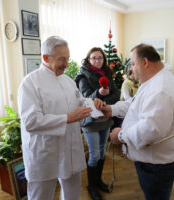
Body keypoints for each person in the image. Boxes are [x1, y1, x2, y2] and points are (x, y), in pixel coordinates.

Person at [94, 44, 174, 200]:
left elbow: (151, 129)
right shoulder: (154, 81)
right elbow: (136, 104)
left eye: (133, 64)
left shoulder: (161, 89)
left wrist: (121, 136)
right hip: (155, 161)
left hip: (157, 165)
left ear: (145, 62)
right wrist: (112, 109)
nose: (131, 69)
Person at [18, 36, 93, 200]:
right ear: (45, 57)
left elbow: (79, 100)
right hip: (45, 153)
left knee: (72, 194)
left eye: (67, 59)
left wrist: (94, 104)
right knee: (41, 197)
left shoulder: (68, 81)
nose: (66, 64)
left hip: (70, 149)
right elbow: (31, 122)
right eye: (62, 59)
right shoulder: (30, 83)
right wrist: (66, 118)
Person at [74, 47, 120, 200]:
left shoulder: (107, 74)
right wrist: (98, 94)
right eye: (94, 58)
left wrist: (104, 104)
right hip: (91, 121)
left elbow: (116, 94)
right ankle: (91, 186)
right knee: (94, 155)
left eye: (100, 58)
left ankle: (98, 181)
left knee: (101, 153)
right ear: (88, 60)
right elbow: (86, 97)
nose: (97, 61)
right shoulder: (82, 76)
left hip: (105, 120)